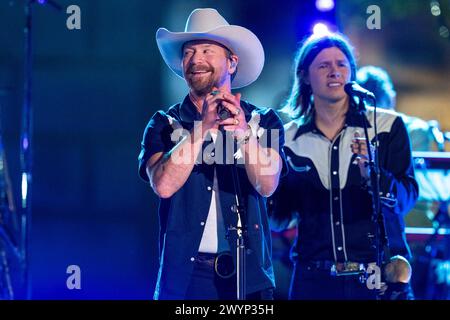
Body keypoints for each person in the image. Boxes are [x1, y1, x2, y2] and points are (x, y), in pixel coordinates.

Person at [138, 8, 285, 300]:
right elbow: (163, 185)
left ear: (231, 63)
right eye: (189, 53)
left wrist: (243, 133)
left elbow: (268, 185)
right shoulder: (164, 124)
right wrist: (201, 128)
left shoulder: (263, 121)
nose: (196, 60)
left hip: (249, 276)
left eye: (207, 50)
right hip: (187, 280)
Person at [269, 32, 418, 300]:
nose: (334, 72)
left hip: (379, 278)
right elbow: (278, 218)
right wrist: (263, 177)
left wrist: (372, 174)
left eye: (342, 64)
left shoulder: (387, 127)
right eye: (323, 65)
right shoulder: (287, 138)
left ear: (352, 72)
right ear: (304, 76)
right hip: (313, 279)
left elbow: (406, 198)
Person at [356, 66, 421, 299]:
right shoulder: (398, 127)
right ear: (390, 97)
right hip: (389, 255)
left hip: (386, 261)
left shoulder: (395, 129)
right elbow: (409, 194)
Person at [356, 65, 435, 152]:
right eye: (367, 113)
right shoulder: (355, 132)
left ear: (391, 100)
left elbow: (409, 165)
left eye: (379, 113)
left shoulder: (415, 131)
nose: (373, 119)